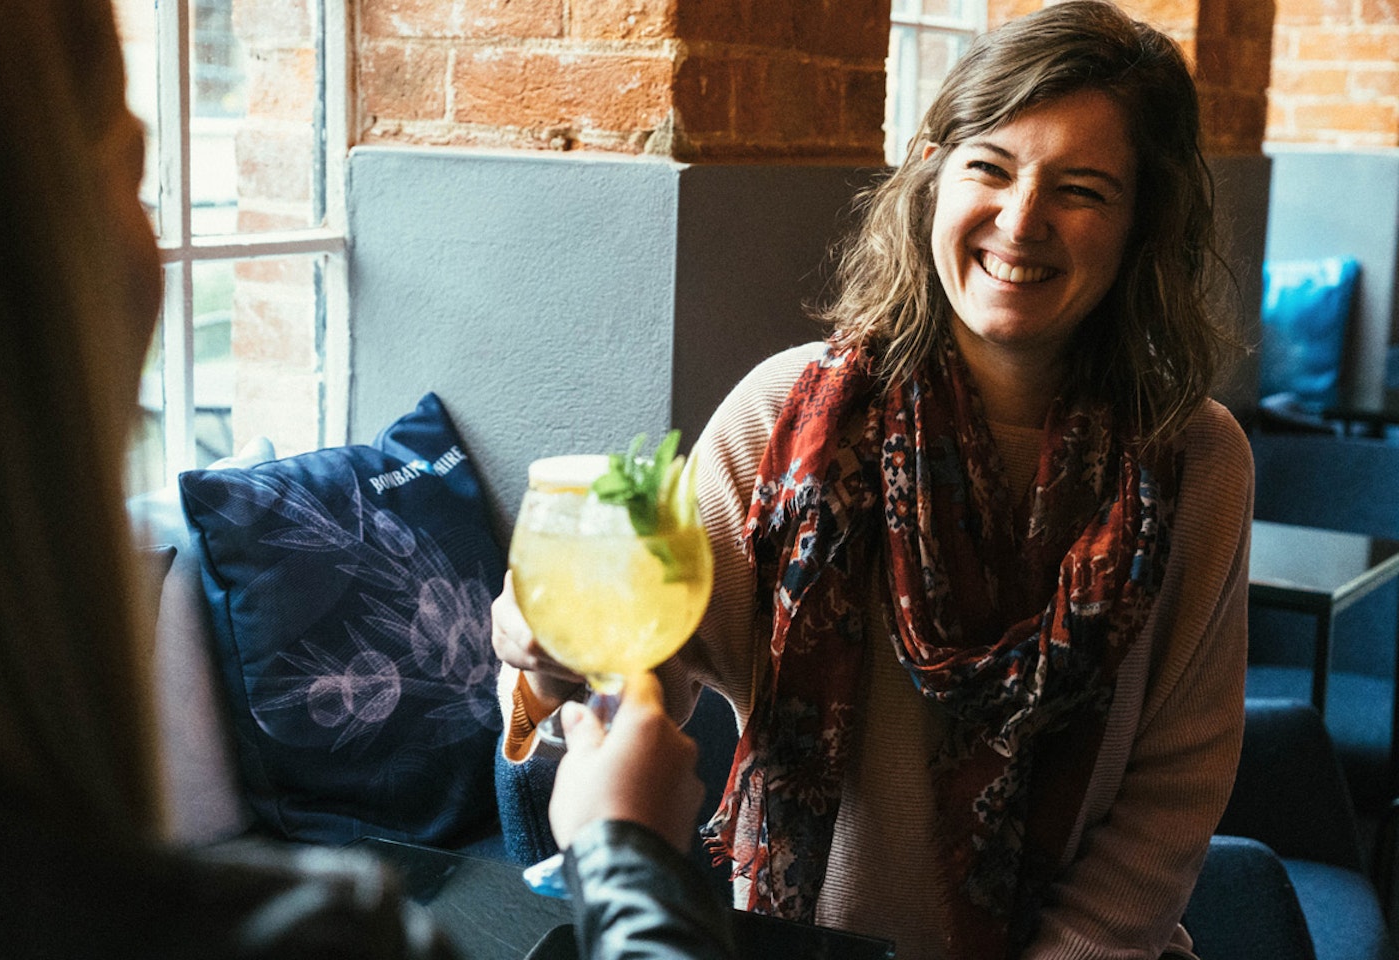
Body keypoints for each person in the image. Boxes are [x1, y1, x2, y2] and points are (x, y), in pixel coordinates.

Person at [0, 2, 731, 958]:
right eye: (137, 177)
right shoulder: (309, 934)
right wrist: (630, 860)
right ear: (57, 265)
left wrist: (542, 707)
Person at [494, 3, 1252, 959]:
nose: (1022, 221)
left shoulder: (1196, 460)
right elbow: (641, 676)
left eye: (1084, 189)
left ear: (1145, 222)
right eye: (990, 167)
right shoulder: (788, 414)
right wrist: (550, 652)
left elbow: (1172, 797)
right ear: (933, 177)